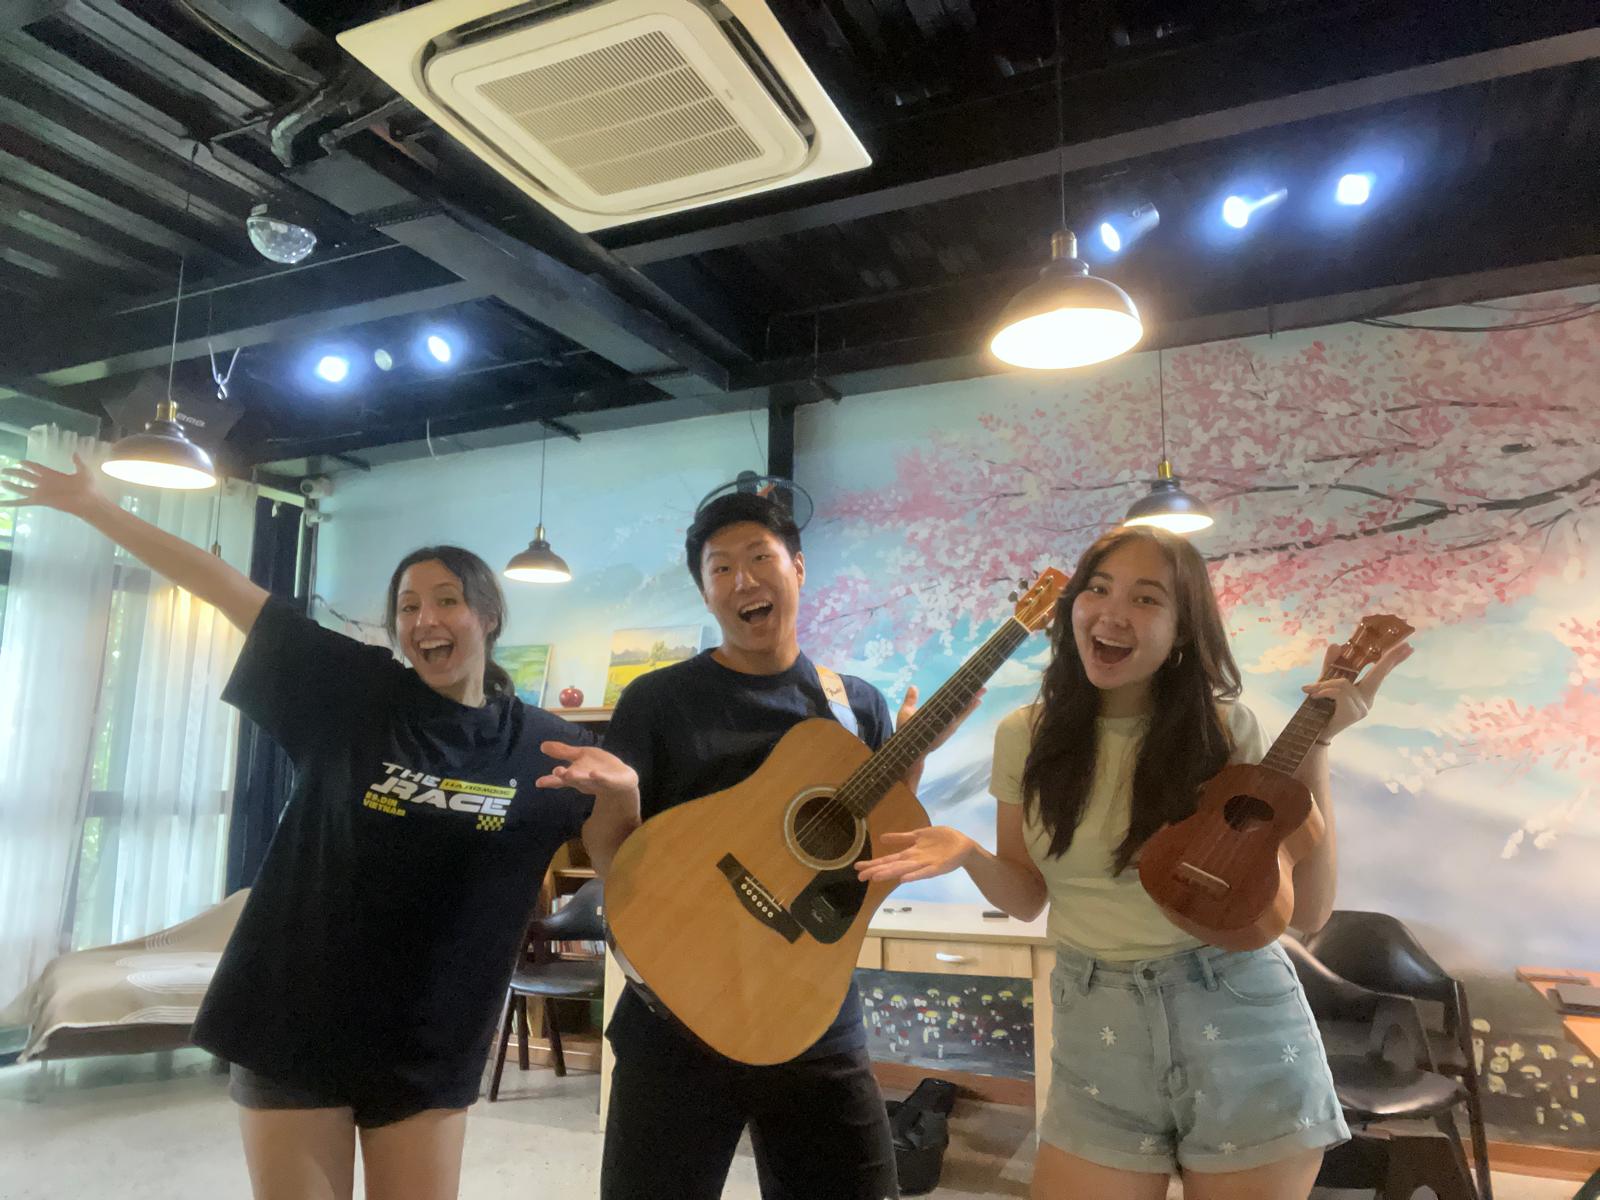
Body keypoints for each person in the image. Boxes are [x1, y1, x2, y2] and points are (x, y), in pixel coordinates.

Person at [2, 455, 621, 1200]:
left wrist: (626, 796)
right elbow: (226, 588)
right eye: (407, 606)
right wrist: (95, 507)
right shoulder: (351, 691)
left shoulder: (548, 747)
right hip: (292, 1016)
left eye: (447, 600)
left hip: (430, 1040)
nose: (424, 620)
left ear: (488, 617)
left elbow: (621, 866)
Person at [856, 524, 1411, 1200]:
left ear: (1182, 630)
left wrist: (1318, 743)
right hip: (1097, 1021)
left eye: (1146, 599)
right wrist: (967, 853)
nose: (1113, 613)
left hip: (1234, 1013)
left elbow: (1310, 911)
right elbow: (1028, 898)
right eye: (1098, 589)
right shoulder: (1024, 737)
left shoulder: (1224, 730)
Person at [538, 491, 976, 1200]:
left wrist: (911, 758)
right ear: (705, 591)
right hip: (677, 1013)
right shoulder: (659, 700)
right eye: (720, 568)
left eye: (759, 558)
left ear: (797, 568)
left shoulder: (853, 705)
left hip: (811, 1010)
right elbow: (620, 864)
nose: (742, 580)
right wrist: (618, 798)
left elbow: (871, 850)